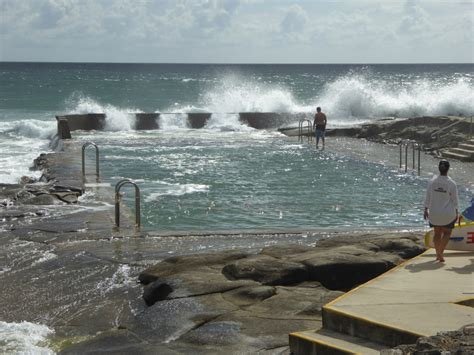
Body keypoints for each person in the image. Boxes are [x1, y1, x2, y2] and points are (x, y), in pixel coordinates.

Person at [423, 160, 459, 262]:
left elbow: (428, 196)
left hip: (434, 213)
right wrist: (457, 212)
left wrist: (425, 209)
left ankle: (438, 254)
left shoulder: (432, 181)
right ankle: (440, 253)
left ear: (439, 168)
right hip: (447, 214)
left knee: (437, 233)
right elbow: (455, 200)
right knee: (447, 233)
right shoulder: (451, 183)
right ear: (448, 169)